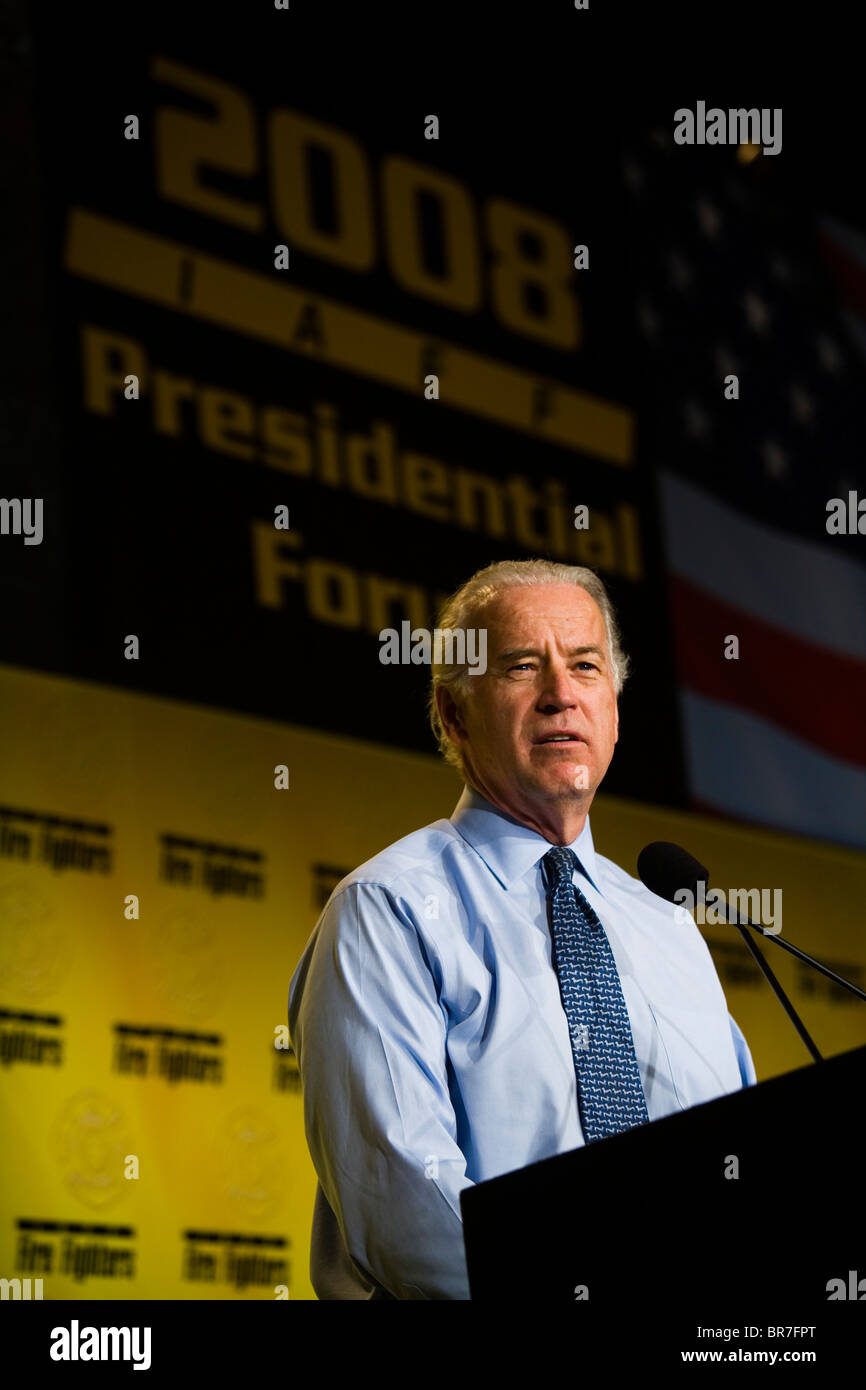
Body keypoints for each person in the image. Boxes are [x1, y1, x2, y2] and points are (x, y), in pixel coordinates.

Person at [288, 559, 756, 1300]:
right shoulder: (390, 910)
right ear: (452, 714)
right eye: (521, 666)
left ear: (615, 708)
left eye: (585, 665)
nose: (561, 695)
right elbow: (407, 1215)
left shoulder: (672, 930)